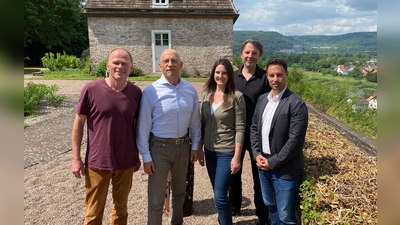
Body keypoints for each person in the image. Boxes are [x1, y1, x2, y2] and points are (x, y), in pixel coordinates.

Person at [70, 48, 142, 224]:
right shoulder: (91, 89)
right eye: (116, 63)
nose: (119, 66)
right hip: (97, 161)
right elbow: (78, 124)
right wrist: (75, 158)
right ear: (108, 65)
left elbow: (136, 127)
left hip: (125, 161)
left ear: (131, 68)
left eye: (124, 63)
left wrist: (137, 155)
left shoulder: (136, 93)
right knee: (93, 212)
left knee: (121, 210)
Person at [136, 48, 201, 225]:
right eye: (166, 61)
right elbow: (143, 126)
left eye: (174, 61)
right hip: (159, 148)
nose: (170, 64)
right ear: (160, 65)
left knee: (179, 193)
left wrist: (195, 146)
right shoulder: (151, 91)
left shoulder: (190, 89)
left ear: (181, 64)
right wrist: (146, 156)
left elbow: (195, 121)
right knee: (157, 198)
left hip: (183, 147)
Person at [250, 58, 308, 225]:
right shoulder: (262, 100)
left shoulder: (296, 104)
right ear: (267, 77)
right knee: (271, 207)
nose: (275, 79)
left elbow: (295, 141)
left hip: (285, 170)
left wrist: (272, 162)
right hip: (263, 165)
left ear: (286, 75)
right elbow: (254, 128)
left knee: (285, 216)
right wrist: (256, 154)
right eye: (271, 75)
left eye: (279, 75)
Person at [197, 58, 246, 225]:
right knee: (218, 194)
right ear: (213, 74)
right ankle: (223, 219)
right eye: (217, 72)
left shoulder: (236, 97)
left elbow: (240, 128)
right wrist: (199, 149)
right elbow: (202, 124)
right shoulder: (206, 95)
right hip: (210, 152)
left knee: (219, 196)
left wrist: (237, 157)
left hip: (226, 152)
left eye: (224, 72)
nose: (220, 75)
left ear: (229, 75)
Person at [230, 39, 271, 224]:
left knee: (258, 175)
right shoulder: (232, 76)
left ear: (259, 56)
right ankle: (234, 206)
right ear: (241, 54)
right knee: (234, 172)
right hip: (235, 133)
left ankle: (262, 213)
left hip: (258, 135)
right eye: (247, 52)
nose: (250, 56)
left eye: (254, 53)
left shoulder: (265, 77)